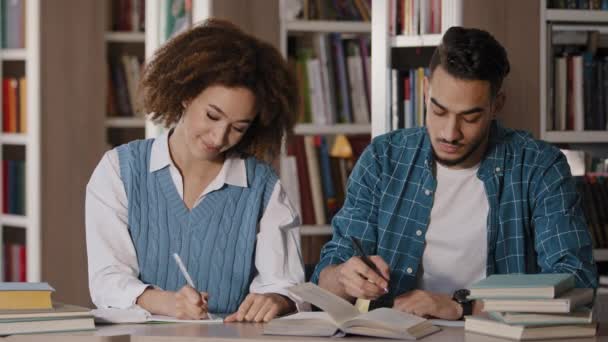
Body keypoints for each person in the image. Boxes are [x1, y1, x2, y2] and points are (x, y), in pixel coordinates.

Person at [312, 26, 597, 320]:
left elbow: (578, 282)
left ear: (496, 105)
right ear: (425, 92)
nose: (450, 133)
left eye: (470, 117)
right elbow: (326, 277)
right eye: (438, 111)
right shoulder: (383, 159)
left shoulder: (539, 166)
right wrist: (344, 277)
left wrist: (462, 306)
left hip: (496, 337)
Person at [86, 18, 304, 323]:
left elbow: (285, 285)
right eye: (212, 116)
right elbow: (106, 281)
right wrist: (167, 302)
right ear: (187, 95)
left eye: (237, 128)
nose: (219, 138)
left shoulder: (263, 187)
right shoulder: (119, 170)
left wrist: (276, 300)